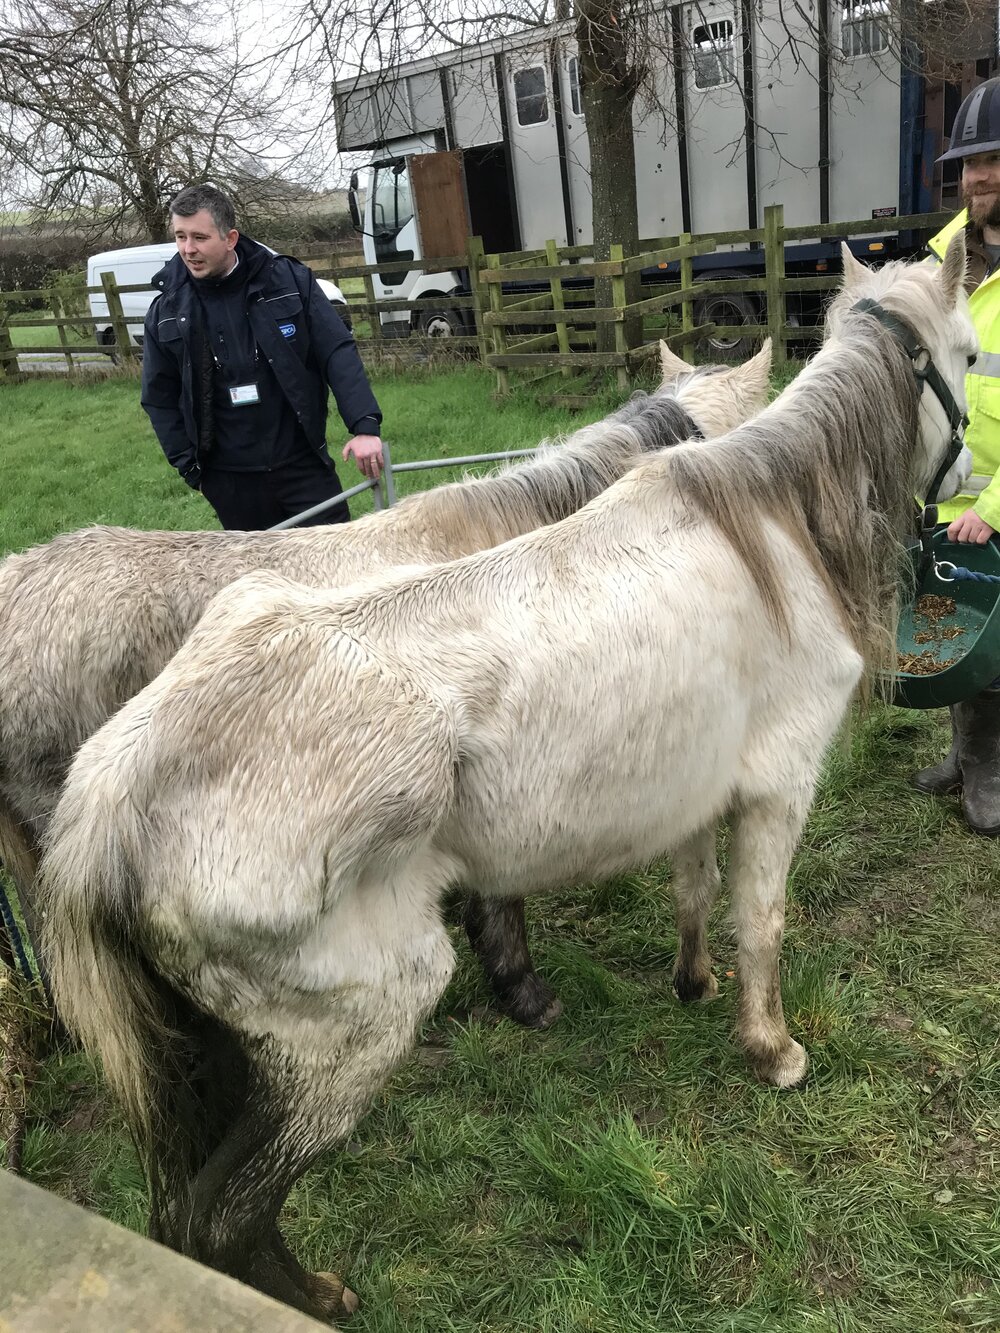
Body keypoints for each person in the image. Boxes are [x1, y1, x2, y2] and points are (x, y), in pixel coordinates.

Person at [141, 184, 384, 529]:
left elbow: (336, 351)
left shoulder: (288, 281)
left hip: (302, 466)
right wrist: (191, 469)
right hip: (230, 482)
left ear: (230, 238)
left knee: (335, 560)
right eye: (180, 237)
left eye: (199, 237)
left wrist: (364, 426)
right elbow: (158, 397)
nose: (188, 249)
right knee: (255, 567)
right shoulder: (166, 310)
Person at [912, 77, 1000, 835]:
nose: (979, 175)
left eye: (994, 159)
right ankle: (962, 753)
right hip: (946, 488)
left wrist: (993, 507)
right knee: (954, 626)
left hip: (995, 497)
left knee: (994, 644)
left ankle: (987, 769)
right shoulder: (941, 262)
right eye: (971, 162)